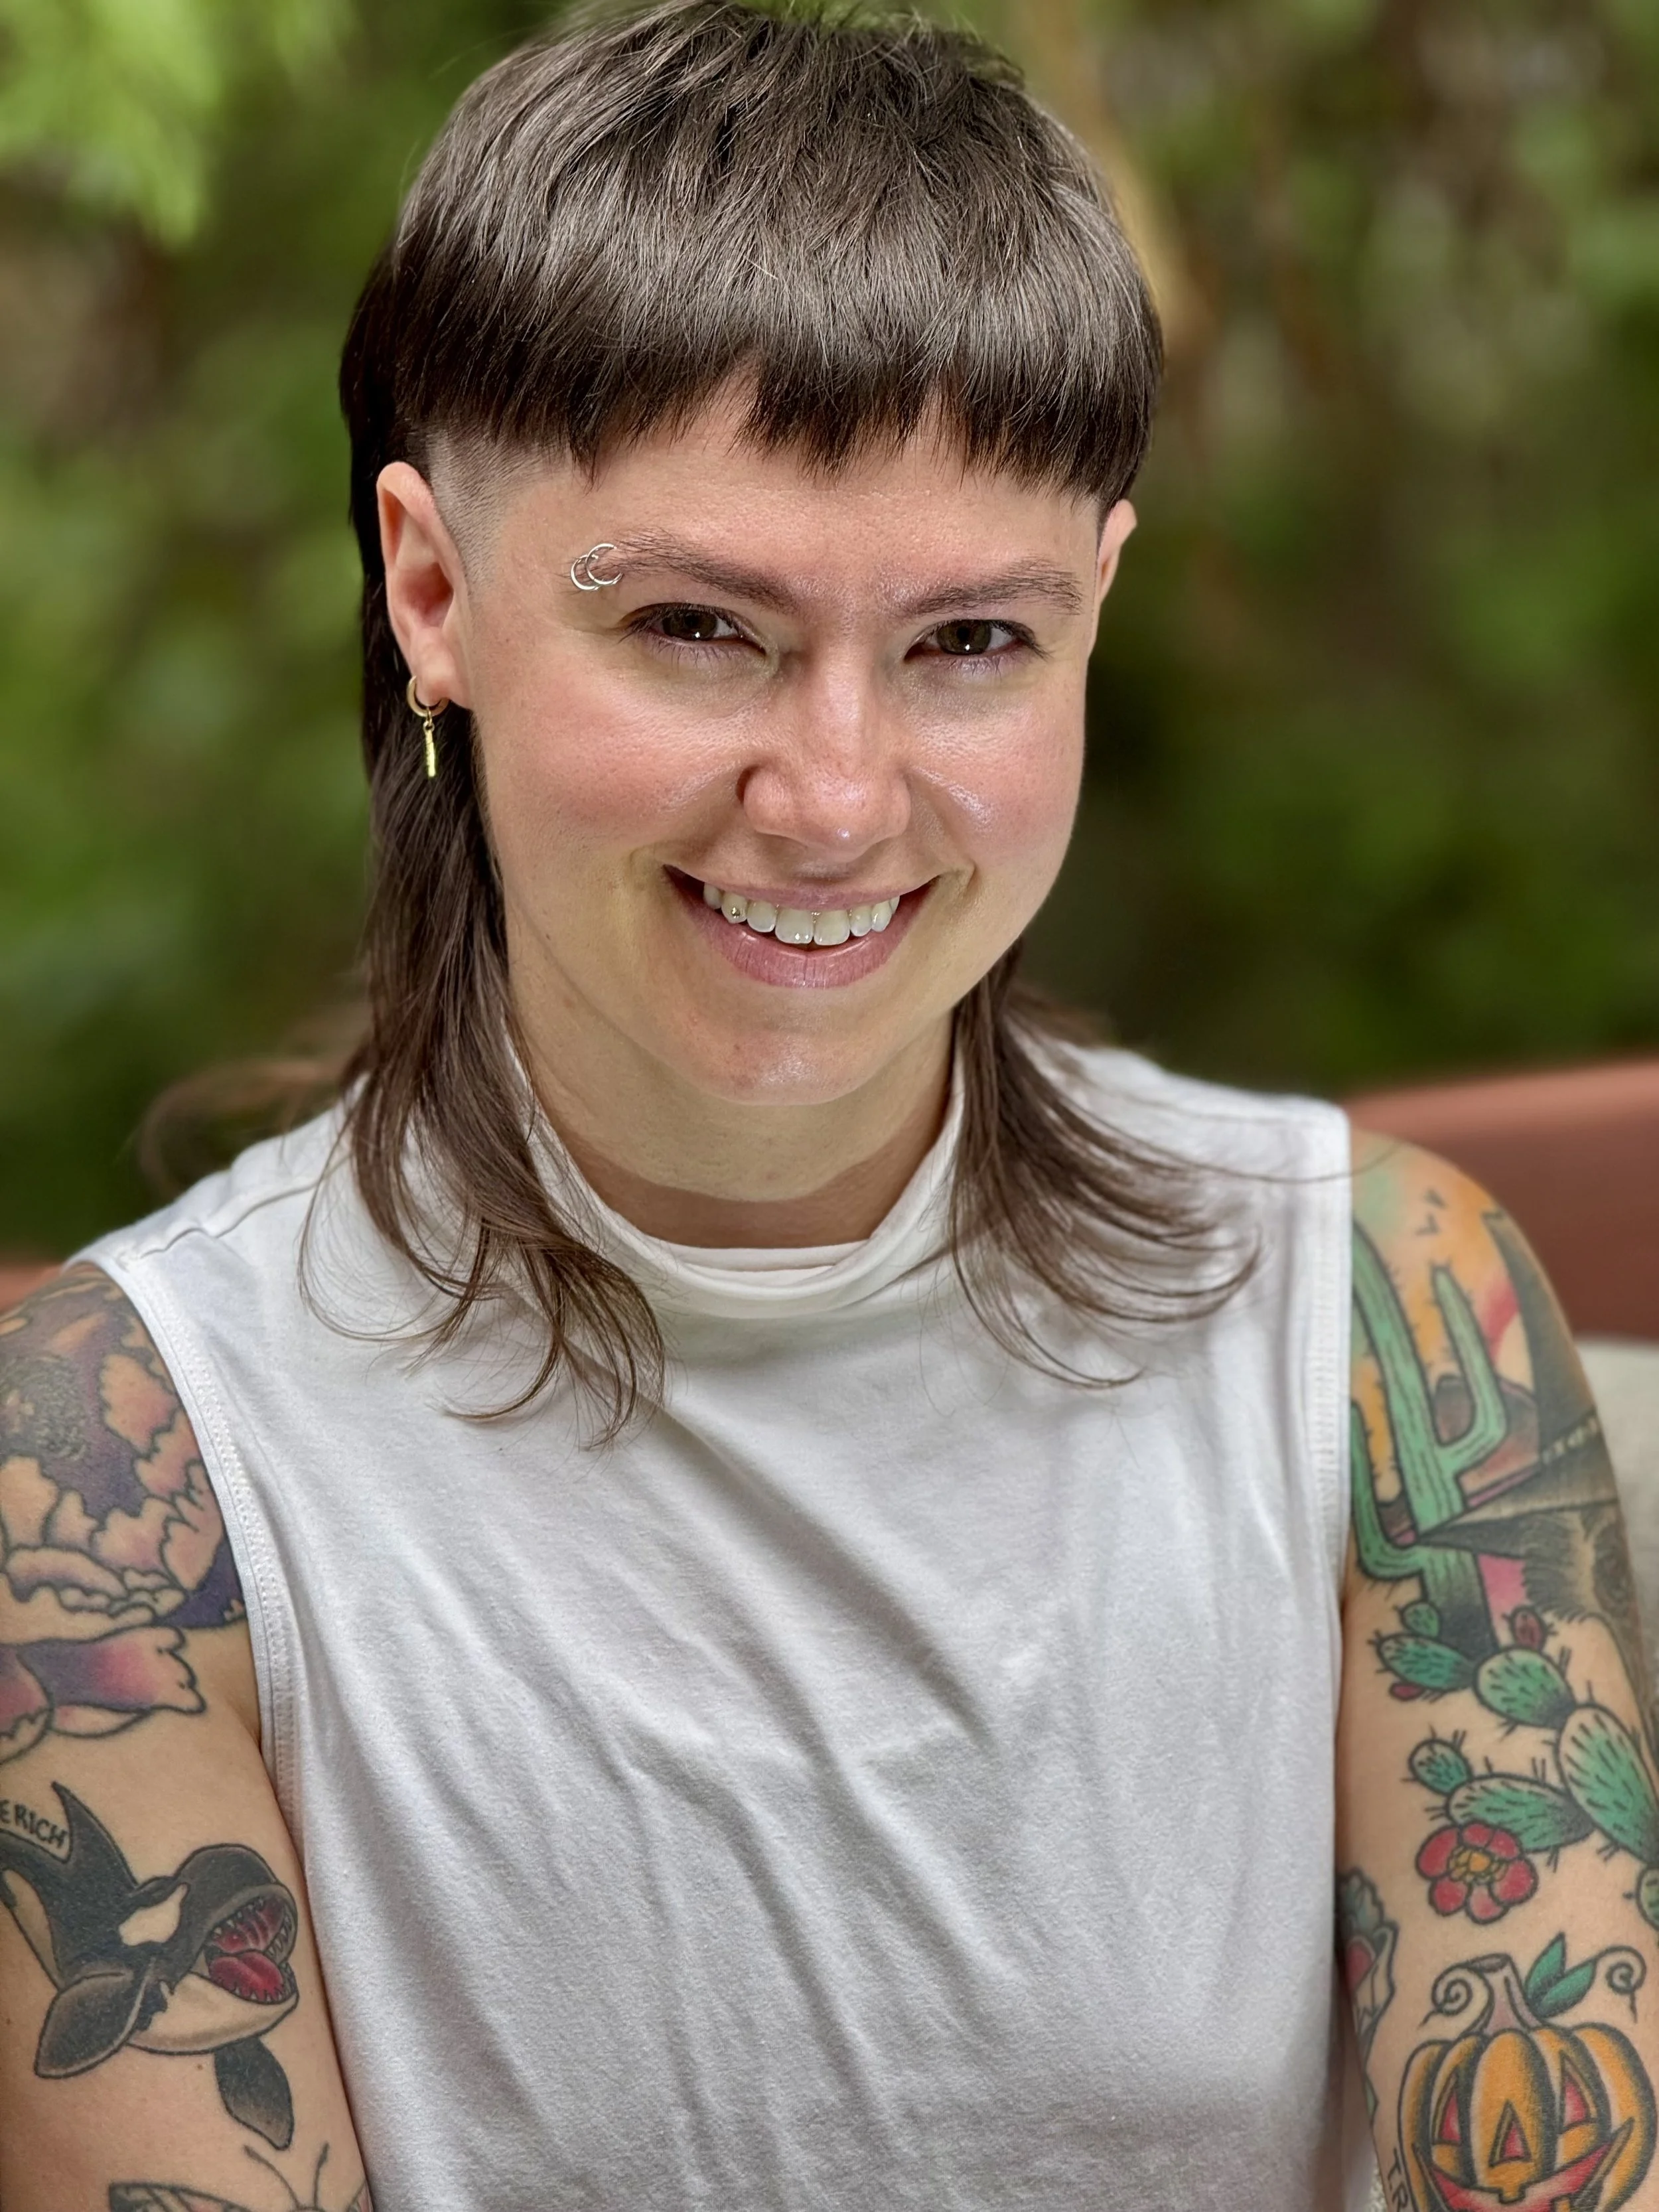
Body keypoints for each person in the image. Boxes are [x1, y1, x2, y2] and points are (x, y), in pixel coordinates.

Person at [1, 7, 1653, 2209]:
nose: (838, 796)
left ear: (1097, 614)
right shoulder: (120, 1469)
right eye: (697, 624)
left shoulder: (1381, 1318)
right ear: (431, 590)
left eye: (973, 641)